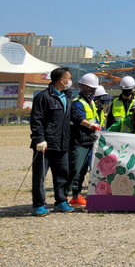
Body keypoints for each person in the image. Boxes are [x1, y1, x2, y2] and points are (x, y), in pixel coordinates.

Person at [30, 66, 75, 216]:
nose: (70, 81)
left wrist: (88, 124)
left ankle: (61, 201)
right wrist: (39, 139)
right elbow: (36, 119)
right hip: (45, 144)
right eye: (69, 78)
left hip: (62, 143)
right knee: (40, 176)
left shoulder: (66, 97)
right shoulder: (43, 97)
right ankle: (38, 205)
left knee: (62, 174)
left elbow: (72, 116)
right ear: (62, 80)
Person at [67, 73, 102, 209]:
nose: (91, 91)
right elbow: (80, 120)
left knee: (82, 171)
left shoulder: (91, 102)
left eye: (93, 88)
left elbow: (95, 119)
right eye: (89, 88)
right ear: (81, 87)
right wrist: (91, 129)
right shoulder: (78, 103)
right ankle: (63, 196)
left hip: (89, 141)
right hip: (79, 141)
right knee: (75, 170)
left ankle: (76, 196)